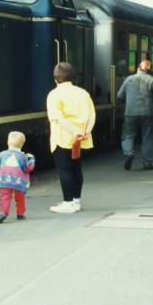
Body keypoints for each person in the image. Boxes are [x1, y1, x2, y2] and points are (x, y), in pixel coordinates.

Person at [46, 62, 96, 214]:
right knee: (76, 169)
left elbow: (59, 118)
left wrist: (74, 131)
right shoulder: (83, 93)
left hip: (63, 138)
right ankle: (76, 201)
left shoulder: (54, 94)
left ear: (56, 79)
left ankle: (67, 203)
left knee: (65, 170)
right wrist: (86, 131)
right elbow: (92, 114)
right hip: (81, 139)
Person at [117, 59, 153, 170]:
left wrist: (128, 101)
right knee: (148, 137)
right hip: (148, 113)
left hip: (130, 112)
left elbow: (119, 95)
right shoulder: (152, 80)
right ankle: (147, 163)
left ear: (138, 67)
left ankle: (129, 152)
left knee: (128, 135)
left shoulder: (129, 79)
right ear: (148, 70)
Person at [0, 131, 35, 223]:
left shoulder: (3, 154)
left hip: (5, 180)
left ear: (7, 142)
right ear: (22, 144)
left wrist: (2, 165)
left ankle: (3, 213)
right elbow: (28, 168)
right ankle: (20, 213)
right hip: (19, 182)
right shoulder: (23, 157)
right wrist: (31, 158)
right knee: (20, 197)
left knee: (4, 196)